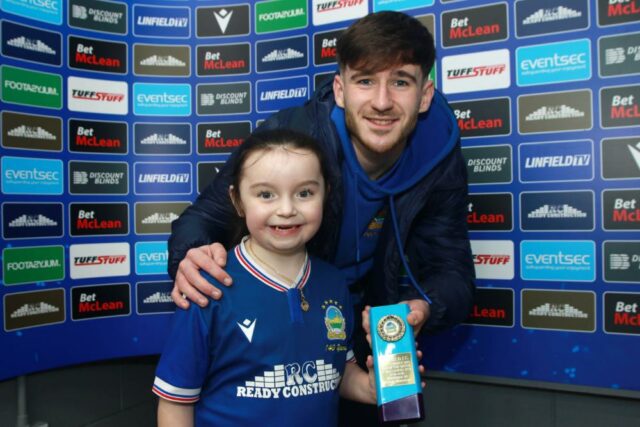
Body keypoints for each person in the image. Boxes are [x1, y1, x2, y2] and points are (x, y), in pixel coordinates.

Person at [168, 11, 475, 425]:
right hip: (281, 319)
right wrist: (191, 257)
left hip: (365, 335)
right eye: (365, 80)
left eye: (401, 81)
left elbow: (452, 270)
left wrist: (424, 308)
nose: (382, 101)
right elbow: (204, 217)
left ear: (424, 95)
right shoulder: (294, 137)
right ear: (340, 89)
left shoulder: (440, 155)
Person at [153, 129, 380, 426]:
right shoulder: (206, 285)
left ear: (326, 195)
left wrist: (369, 387)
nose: (286, 209)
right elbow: (175, 402)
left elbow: (335, 371)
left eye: (305, 193)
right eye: (265, 194)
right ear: (237, 200)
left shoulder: (334, 282)